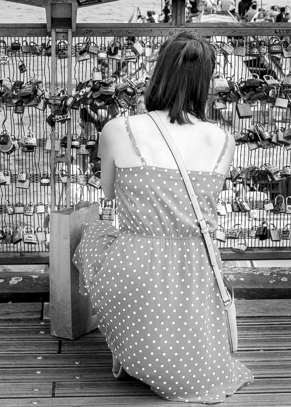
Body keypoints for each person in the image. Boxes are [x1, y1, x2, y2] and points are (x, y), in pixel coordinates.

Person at [74, 34, 254, 402]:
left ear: (158, 74)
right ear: (205, 82)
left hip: (135, 270)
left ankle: (128, 341)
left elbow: (108, 194)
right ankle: (161, 347)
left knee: (92, 237)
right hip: (194, 270)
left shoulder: (119, 128)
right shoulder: (222, 139)